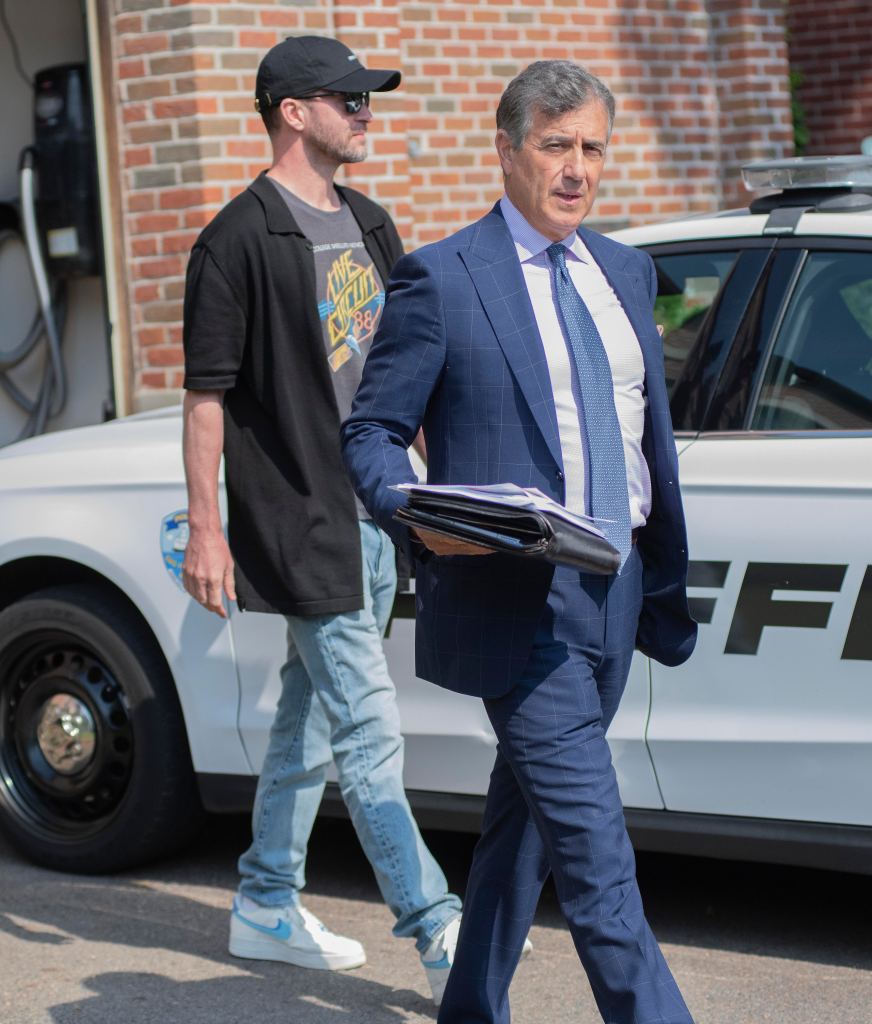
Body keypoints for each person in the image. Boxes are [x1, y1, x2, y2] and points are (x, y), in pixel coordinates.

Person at [342, 60, 698, 1023]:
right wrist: (416, 512)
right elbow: (371, 433)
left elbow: (640, 435)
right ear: (506, 151)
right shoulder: (444, 279)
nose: (577, 169)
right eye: (556, 146)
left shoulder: (625, 271)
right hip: (514, 598)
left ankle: (469, 1008)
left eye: (592, 148)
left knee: (523, 827)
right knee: (597, 857)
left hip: (613, 592)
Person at [180, 35, 463, 1004]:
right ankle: (438, 930)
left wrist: (442, 494)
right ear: (293, 112)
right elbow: (206, 398)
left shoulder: (373, 225)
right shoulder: (235, 241)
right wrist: (207, 528)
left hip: (377, 520)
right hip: (303, 519)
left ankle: (263, 898)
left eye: (367, 97)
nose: (365, 111)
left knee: (304, 720)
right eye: (348, 98)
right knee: (368, 736)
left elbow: (402, 374)